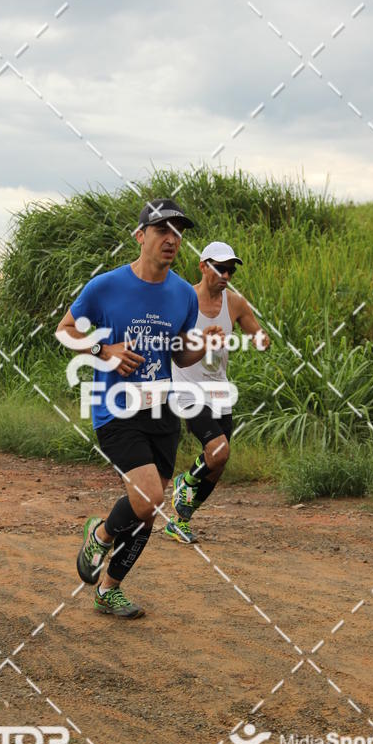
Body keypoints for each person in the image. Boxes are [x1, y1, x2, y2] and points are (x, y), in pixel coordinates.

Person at [56, 200, 223, 619]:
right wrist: (102, 349)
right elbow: (65, 330)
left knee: (149, 508)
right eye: (162, 230)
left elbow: (180, 357)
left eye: (178, 232)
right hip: (115, 407)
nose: (171, 239)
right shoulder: (106, 286)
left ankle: (109, 589)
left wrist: (203, 346)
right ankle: (100, 534)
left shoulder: (184, 293)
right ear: (141, 236)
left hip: (160, 409)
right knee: (148, 495)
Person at [166, 242, 270, 543]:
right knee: (218, 449)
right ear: (203, 267)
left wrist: (260, 340)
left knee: (219, 462)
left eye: (230, 270)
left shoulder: (235, 303)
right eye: (219, 268)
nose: (226, 274)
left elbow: (259, 335)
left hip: (219, 392)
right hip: (186, 388)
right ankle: (184, 482)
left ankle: (180, 521)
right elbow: (169, 344)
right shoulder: (182, 299)